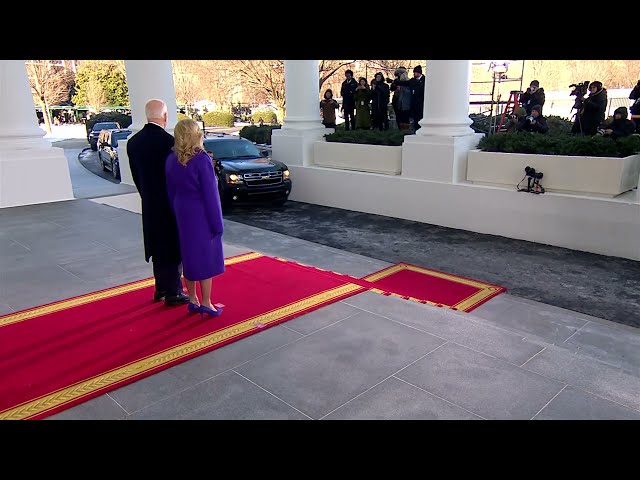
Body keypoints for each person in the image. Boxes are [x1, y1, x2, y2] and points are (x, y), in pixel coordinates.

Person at [127, 99, 189, 307]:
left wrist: (147, 195)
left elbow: (136, 176)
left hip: (150, 202)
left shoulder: (133, 142)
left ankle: (160, 287)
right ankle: (173, 291)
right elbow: (177, 175)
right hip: (170, 203)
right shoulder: (169, 142)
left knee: (156, 244)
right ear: (165, 116)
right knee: (172, 246)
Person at [165, 118, 225, 318]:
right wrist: (217, 224)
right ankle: (207, 302)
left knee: (188, 256)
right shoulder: (201, 159)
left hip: (182, 212)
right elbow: (211, 195)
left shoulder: (171, 159)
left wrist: (177, 211)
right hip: (200, 213)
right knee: (204, 258)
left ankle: (192, 299)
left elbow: (170, 191)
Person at [392, 65, 425, 131]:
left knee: (420, 118)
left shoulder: (424, 80)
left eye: (415, 72)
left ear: (419, 73)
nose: (414, 74)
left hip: (421, 103)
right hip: (414, 103)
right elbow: (405, 83)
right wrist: (395, 82)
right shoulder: (412, 80)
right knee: (415, 119)